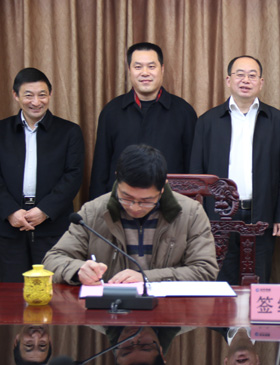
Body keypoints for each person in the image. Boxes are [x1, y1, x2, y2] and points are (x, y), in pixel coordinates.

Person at [43, 144, 218, 284]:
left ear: (163, 187)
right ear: (117, 178)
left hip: (168, 309)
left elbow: (205, 270)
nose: (135, 207)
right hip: (110, 309)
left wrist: (146, 278)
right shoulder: (93, 211)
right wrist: (78, 270)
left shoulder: (190, 213)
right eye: (126, 197)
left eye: (146, 200)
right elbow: (52, 260)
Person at [190, 55, 280, 285]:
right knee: (222, 281)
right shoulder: (208, 121)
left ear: (261, 82)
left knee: (258, 280)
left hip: (261, 213)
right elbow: (197, 172)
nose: (245, 80)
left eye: (252, 75)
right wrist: (200, 215)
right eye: (240, 74)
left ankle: (254, 312)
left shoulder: (277, 121)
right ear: (228, 80)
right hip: (219, 215)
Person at [0, 68, 84, 282]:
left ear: (50, 94)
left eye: (42, 95)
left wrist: (45, 210)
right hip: (9, 227)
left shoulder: (69, 132)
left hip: (53, 226)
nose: (36, 102)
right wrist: (10, 211)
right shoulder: (2, 131)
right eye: (29, 95)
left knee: (54, 289)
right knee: (11, 291)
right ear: (16, 95)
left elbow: (73, 175)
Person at [89, 42, 196, 199]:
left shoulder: (184, 112)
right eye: (138, 67)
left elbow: (192, 169)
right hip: (122, 204)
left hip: (170, 204)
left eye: (151, 67)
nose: (145, 73)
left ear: (162, 69)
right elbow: (100, 168)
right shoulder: (111, 111)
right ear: (129, 70)